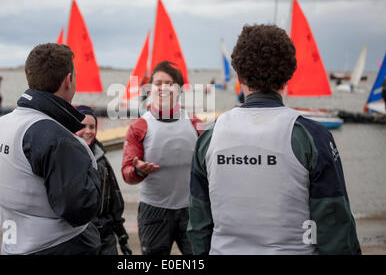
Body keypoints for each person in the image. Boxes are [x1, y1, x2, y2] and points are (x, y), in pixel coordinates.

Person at [187, 24, 361, 255]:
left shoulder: (209, 136)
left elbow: (198, 223)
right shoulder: (311, 136)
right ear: (289, 74)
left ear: (238, 75)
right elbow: (333, 224)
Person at [0, 43, 102, 255]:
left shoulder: (2, 124)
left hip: (14, 244)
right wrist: (96, 174)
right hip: (59, 246)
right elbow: (81, 208)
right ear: (68, 80)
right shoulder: (55, 138)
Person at [121, 61, 203, 255]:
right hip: (154, 210)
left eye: (169, 83)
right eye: (158, 83)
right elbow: (126, 174)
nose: (163, 88)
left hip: (191, 210)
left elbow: (210, 167)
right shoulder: (139, 127)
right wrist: (139, 170)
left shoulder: (195, 124)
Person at [75, 105, 132, 255]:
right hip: (78, 235)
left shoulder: (102, 160)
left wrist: (121, 235)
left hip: (105, 234)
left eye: (92, 127)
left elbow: (115, 198)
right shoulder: (65, 160)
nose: (88, 131)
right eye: (83, 126)